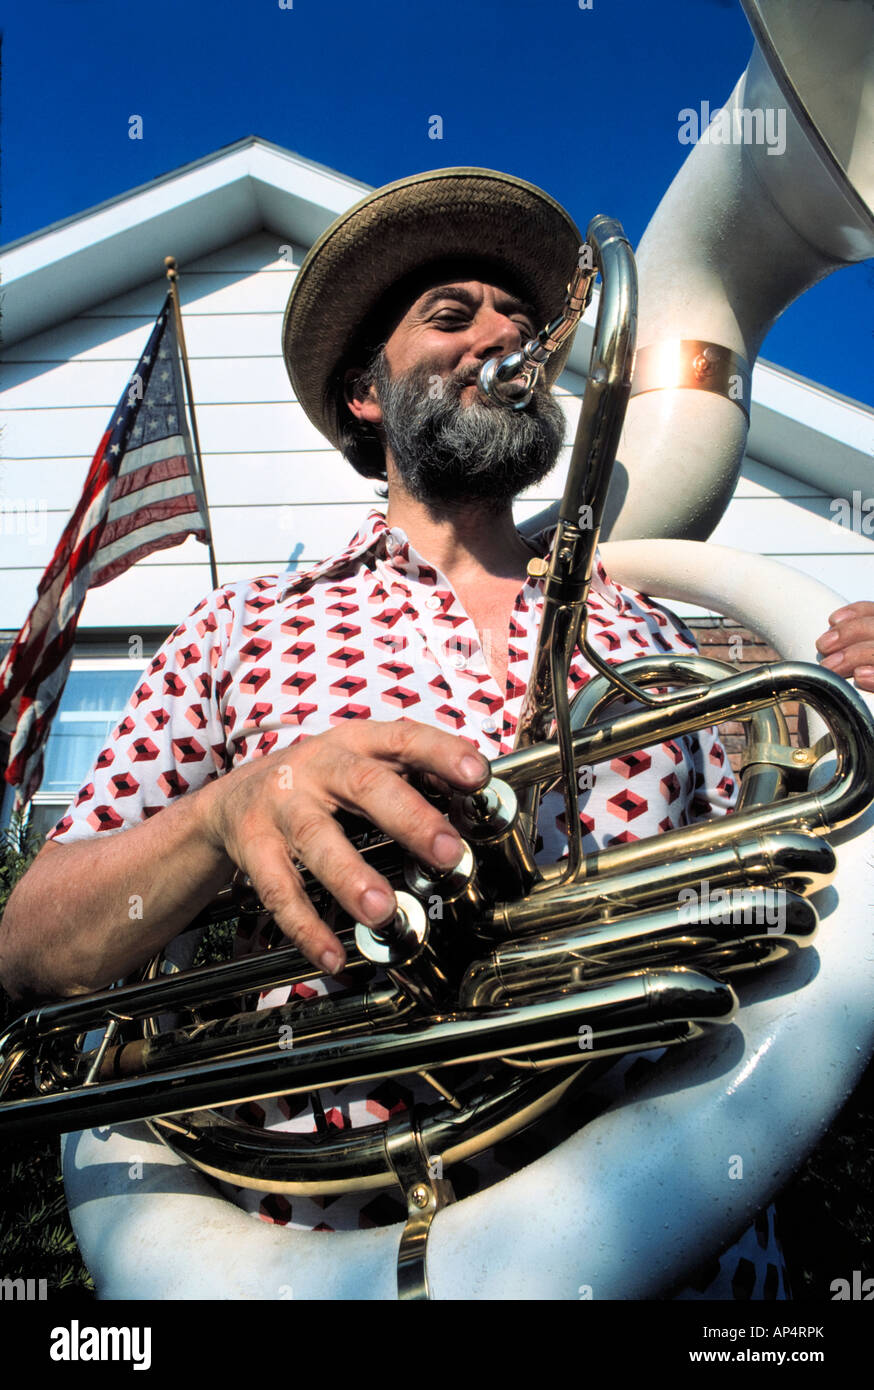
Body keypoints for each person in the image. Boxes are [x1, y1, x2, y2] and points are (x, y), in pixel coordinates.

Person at [1, 168, 871, 1297]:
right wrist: (226, 813)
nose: (505, 333)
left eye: (517, 315)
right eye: (451, 315)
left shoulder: (660, 631)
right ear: (366, 393)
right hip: (333, 1255)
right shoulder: (244, 627)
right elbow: (30, 942)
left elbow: (791, 920)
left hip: (690, 1252)